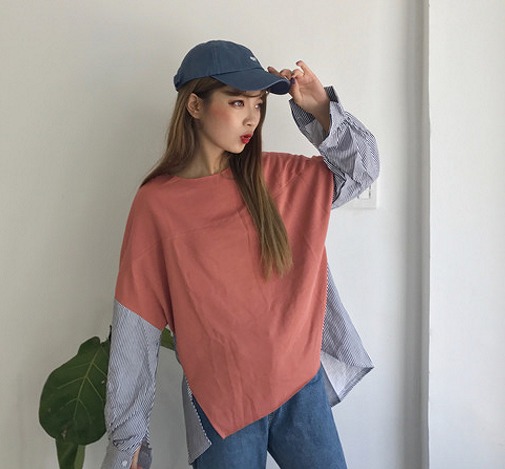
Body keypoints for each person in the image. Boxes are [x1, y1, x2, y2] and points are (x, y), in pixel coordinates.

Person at [102, 39, 379, 469]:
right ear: (195, 105)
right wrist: (129, 440)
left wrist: (321, 110)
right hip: (222, 406)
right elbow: (135, 329)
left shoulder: (280, 178)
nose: (252, 117)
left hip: (300, 388)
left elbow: (361, 169)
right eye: (237, 102)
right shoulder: (157, 205)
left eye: (258, 104)